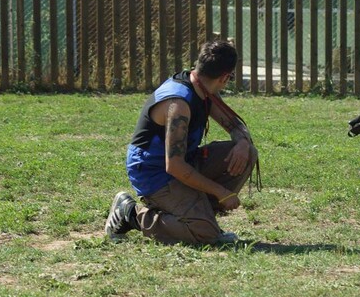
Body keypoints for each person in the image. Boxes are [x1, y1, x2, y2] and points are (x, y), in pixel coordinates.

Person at [105, 40, 258, 245]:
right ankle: (131, 214)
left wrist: (243, 143)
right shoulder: (179, 104)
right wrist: (220, 192)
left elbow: (234, 125)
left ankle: (199, 215)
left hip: (183, 162)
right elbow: (174, 166)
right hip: (154, 172)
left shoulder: (203, 88)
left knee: (248, 153)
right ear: (225, 77)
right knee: (204, 233)